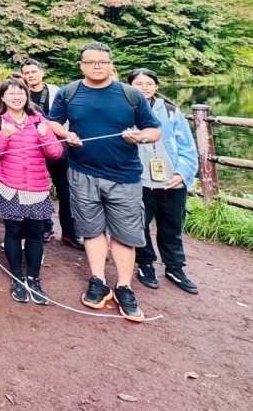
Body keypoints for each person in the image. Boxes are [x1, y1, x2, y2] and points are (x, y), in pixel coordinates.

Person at [47, 42, 162, 323]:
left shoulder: (131, 94)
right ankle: (98, 280)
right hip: (81, 172)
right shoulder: (69, 93)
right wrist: (67, 135)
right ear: (82, 65)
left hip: (124, 175)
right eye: (90, 62)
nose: (96, 66)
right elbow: (52, 122)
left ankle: (124, 286)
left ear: (111, 63)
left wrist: (141, 137)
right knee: (92, 229)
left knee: (125, 233)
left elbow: (154, 130)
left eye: (102, 61)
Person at [0, 76, 64, 305]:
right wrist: (4, 135)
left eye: (20, 92)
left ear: (27, 96)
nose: (16, 97)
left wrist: (45, 135)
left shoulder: (39, 120)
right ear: (2, 97)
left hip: (36, 188)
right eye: (10, 93)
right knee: (13, 232)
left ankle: (34, 279)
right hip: (8, 187)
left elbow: (56, 153)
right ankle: (17, 277)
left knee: (35, 234)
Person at [127, 69, 199, 295]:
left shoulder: (170, 112)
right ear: (130, 87)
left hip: (171, 179)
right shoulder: (125, 111)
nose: (144, 87)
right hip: (138, 180)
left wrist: (182, 173)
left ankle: (175, 267)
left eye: (149, 83)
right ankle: (145, 263)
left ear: (156, 86)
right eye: (138, 83)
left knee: (172, 225)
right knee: (140, 224)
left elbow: (187, 146)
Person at [20, 59, 83, 249]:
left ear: (42, 72)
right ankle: (44, 227)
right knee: (36, 190)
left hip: (58, 147)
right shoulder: (19, 94)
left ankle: (70, 232)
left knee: (65, 190)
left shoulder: (58, 92)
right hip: (31, 150)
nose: (30, 75)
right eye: (26, 73)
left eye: (33, 71)